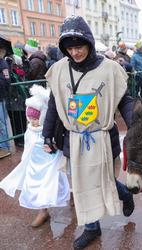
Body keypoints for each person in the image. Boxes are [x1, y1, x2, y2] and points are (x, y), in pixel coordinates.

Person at [42, 16, 134, 249]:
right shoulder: (59, 70)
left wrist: (136, 125)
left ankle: (124, 194)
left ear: (89, 44)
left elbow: (124, 101)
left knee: (106, 179)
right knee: (82, 183)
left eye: (79, 46)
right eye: (70, 48)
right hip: (73, 138)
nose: (75, 52)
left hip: (101, 136)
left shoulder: (110, 69)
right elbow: (54, 103)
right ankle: (92, 228)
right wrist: (47, 134)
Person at [0, 84, 70, 227]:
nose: (33, 121)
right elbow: (28, 146)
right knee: (38, 187)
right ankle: (42, 211)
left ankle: (72, 194)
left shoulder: (49, 128)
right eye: (30, 118)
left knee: (59, 181)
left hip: (51, 163)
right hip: (35, 165)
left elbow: (57, 144)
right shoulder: (30, 130)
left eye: (36, 118)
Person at [0, 35, 13, 158]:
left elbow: (6, 80)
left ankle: (4, 148)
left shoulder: (3, 63)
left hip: (1, 97)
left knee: (2, 123)